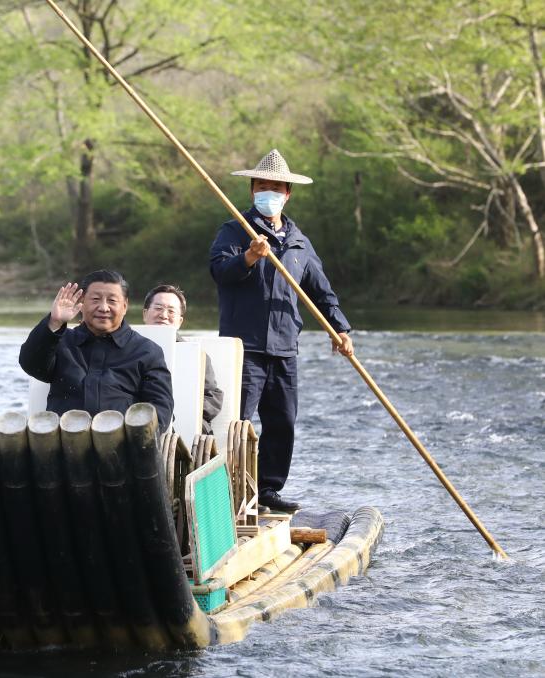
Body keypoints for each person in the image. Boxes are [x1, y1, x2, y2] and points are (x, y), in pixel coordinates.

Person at [209, 149, 354, 513]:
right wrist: (249, 257)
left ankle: (269, 490)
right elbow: (220, 272)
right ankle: (228, 493)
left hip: (285, 348)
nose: (267, 192)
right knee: (237, 423)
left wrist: (340, 329)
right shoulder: (235, 231)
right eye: (261, 186)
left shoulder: (298, 242)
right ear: (252, 190)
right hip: (245, 347)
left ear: (287, 193)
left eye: (275, 187)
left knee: (283, 422)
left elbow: (320, 290)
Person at [19, 269, 174, 432]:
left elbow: (161, 408)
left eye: (112, 301)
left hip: (122, 448)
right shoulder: (61, 341)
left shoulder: (147, 351)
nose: (103, 308)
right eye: (95, 299)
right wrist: (54, 322)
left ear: (125, 306)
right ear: (82, 303)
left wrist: (136, 438)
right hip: (63, 445)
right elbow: (31, 365)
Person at [142, 284, 224, 435]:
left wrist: (185, 408)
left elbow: (213, 397)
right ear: (145, 314)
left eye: (171, 311)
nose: (164, 315)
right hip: (138, 421)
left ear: (180, 321)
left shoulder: (196, 355)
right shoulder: (126, 350)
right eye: (158, 308)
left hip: (183, 428)